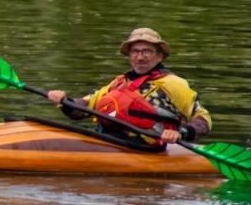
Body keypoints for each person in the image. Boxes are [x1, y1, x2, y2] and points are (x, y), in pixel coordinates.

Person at [46, 27, 211, 145]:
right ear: (129, 56)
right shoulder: (119, 83)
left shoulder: (173, 83)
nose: (140, 57)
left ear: (159, 56)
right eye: (135, 51)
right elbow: (82, 108)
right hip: (108, 141)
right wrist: (64, 101)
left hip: (145, 148)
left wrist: (180, 132)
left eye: (147, 51)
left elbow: (203, 119)